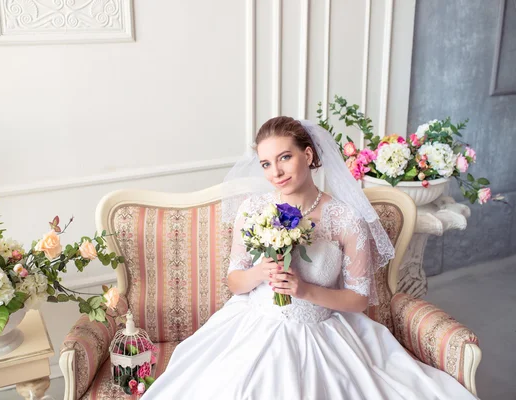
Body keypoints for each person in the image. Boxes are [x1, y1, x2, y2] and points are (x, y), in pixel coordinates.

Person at [142, 117, 477, 399]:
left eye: (284, 158)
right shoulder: (254, 210)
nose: (276, 171)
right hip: (251, 324)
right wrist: (261, 272)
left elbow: (359, 299)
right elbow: (234, 280)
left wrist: (304, 291)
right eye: (266, 163)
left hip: (320, 330)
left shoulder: (345, 218)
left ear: (308, 154)